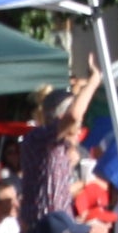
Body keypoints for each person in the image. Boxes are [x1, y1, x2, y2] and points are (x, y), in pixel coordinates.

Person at [13, 70, 102, 224]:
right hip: (45, 224)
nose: (80, 128)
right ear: (62, 118)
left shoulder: (62, 146)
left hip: (60, 221)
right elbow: (74, 115)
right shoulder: (39, 138)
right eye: (79, 124)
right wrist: (93, 82)